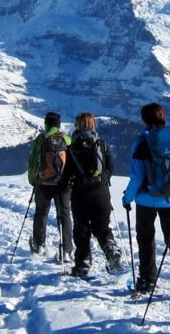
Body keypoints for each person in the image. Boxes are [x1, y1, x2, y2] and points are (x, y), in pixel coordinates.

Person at [121, 102, 170, 298]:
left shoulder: (141, 142)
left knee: (146, 239)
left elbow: (137, 177)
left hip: (146, 199)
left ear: (144, 119)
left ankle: (147, 280)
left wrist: (127, 198)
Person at [61, 112, 123, 278]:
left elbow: (66, 173)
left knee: (81, 228)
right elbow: (110, 167)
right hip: (101, 192)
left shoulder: (72, 146)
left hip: (80, 193)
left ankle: (83, 263)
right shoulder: (101, 144)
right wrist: (102, 182)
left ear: (78, 125)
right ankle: (111, 249)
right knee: (102, 226)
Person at [26, 111, 72, 260]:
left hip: (43, 182)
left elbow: (33, 161)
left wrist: (33, 179)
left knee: (41, 213)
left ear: (46, 124)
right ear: (59, 125)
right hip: (63, 184)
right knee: (64, 214)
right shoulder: (66, 139)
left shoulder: (41, 139)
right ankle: (66, 250)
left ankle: (39, 245)